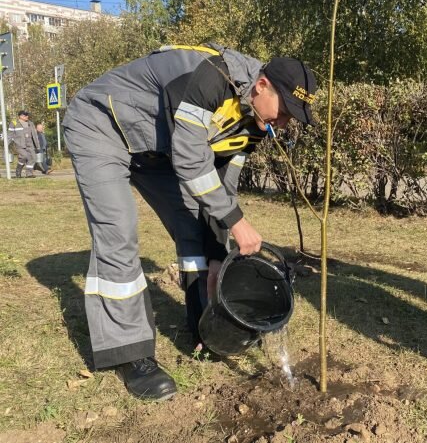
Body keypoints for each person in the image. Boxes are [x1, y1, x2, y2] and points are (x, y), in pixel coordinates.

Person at [62, 44, 317, 401]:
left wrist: (217, 254)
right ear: (262, 85)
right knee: (118, 230)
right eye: (286, 111)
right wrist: (238, 223)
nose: (285, 123)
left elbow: (222, 183)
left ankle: (204, 323)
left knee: (194, 223)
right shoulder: (210, 78)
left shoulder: (256, 121)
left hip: (154, 151)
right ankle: (129, 355)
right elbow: (190, 160)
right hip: (101, 127)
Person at [8, 110, 39, 178]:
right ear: (20, 116)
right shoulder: (14, 123)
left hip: (30, 144)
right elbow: (9, 135)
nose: (27, 116)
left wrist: (37, 146)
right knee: (24, 156)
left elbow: (34, 135)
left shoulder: (30, 123)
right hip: (19, 144)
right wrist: (7, 145)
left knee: (33, 158)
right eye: (25, 115)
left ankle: (29, 174)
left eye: (27, 115)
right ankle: (18, 170)